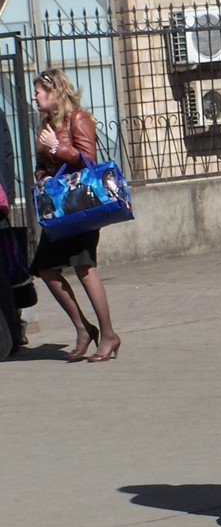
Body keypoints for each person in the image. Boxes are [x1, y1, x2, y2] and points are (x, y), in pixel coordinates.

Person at [30, 69, 120, 363]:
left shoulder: (78, 118)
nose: (34, 96)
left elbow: (88, 159)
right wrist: (41, 176)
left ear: (54, 93)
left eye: (39, 91)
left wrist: (58, 147)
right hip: (57, 208)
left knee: (84, 267)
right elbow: (43, 165)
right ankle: (83, 328)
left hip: (80, 205)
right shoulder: (45, 125)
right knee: (46, 268)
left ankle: (108, 335)